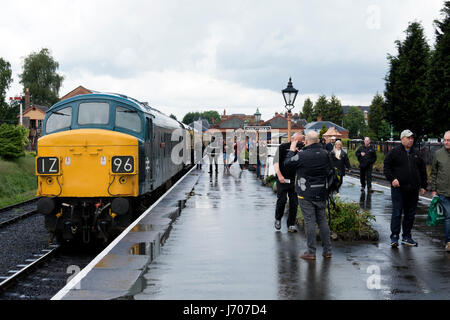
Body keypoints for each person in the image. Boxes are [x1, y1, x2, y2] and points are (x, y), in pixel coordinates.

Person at [284, 131, 333, 260]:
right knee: (322, 220)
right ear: (317, 141)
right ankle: (327, 251)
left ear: (306, 141)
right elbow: (330, 170)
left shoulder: (303, 156)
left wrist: (291, 150)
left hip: (305, 193)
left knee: (310, 221)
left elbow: (287, 163)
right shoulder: (325, 154)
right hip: (322, 191)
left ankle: (311, 252)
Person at [384, 129, 427, 248]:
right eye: (408, 138)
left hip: (413, 189)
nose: (411, 140)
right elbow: (386, 168)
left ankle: (407, 236)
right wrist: (392, 179)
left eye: (412, 138)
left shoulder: (417, 153)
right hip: (399, 189)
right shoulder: (394, 152)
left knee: (410, 214)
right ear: (402, 139)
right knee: (397, 212)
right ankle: (394, 237)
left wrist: (424, 185)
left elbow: (422, 170)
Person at [273, 133, 304, 233]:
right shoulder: (283, 147)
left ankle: (291, 224)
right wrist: (279, 175)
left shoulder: (302, 149)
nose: (300, 142)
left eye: (301, 141)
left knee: (294, 203)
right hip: (282, 178)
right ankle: (278, 218)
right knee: (282, 200)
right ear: (292, 139)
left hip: (295, 180)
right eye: (298, 141)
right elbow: (276, 162)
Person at [430, 130, 450, 252]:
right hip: (443, 192)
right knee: (449, 216)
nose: (446, 142)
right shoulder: (438, 154)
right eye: (445, 140)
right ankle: (448, 241)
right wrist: (434, 189)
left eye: (449, 140)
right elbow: (433, 173)